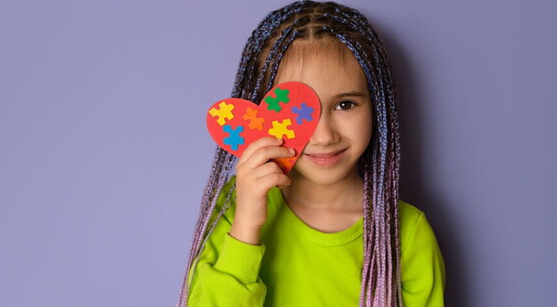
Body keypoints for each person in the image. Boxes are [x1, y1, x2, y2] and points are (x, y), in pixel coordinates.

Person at [177, 1, 445, 306]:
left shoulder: (406, 234)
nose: (324, 135)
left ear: (376, 107)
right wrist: (247, 227)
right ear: (261, 115)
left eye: (345, 104)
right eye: (296, 113)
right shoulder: (236, 210)